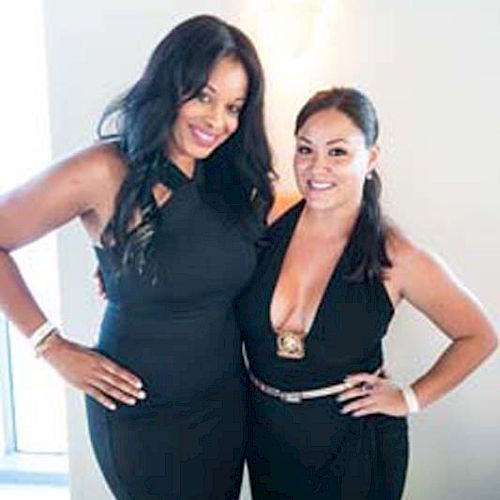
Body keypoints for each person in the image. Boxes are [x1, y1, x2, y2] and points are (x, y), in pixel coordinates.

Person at [0, 15, 275, 499]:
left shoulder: (231, 177)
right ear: (171, 83)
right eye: (204, 96)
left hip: (223, 405)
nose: (218, 121)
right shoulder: (105, 170)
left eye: (233, 106)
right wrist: (51, 346)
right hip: (142, 413)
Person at [237, 87, 497, 499]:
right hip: (268, 435)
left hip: (354, 447)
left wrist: (409, 399)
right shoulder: (269, 219)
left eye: (337, 152)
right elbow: (202, 257)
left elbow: (480, 336)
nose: (316, 167)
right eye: (305, 149)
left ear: (371, 158)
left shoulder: (396, 254)